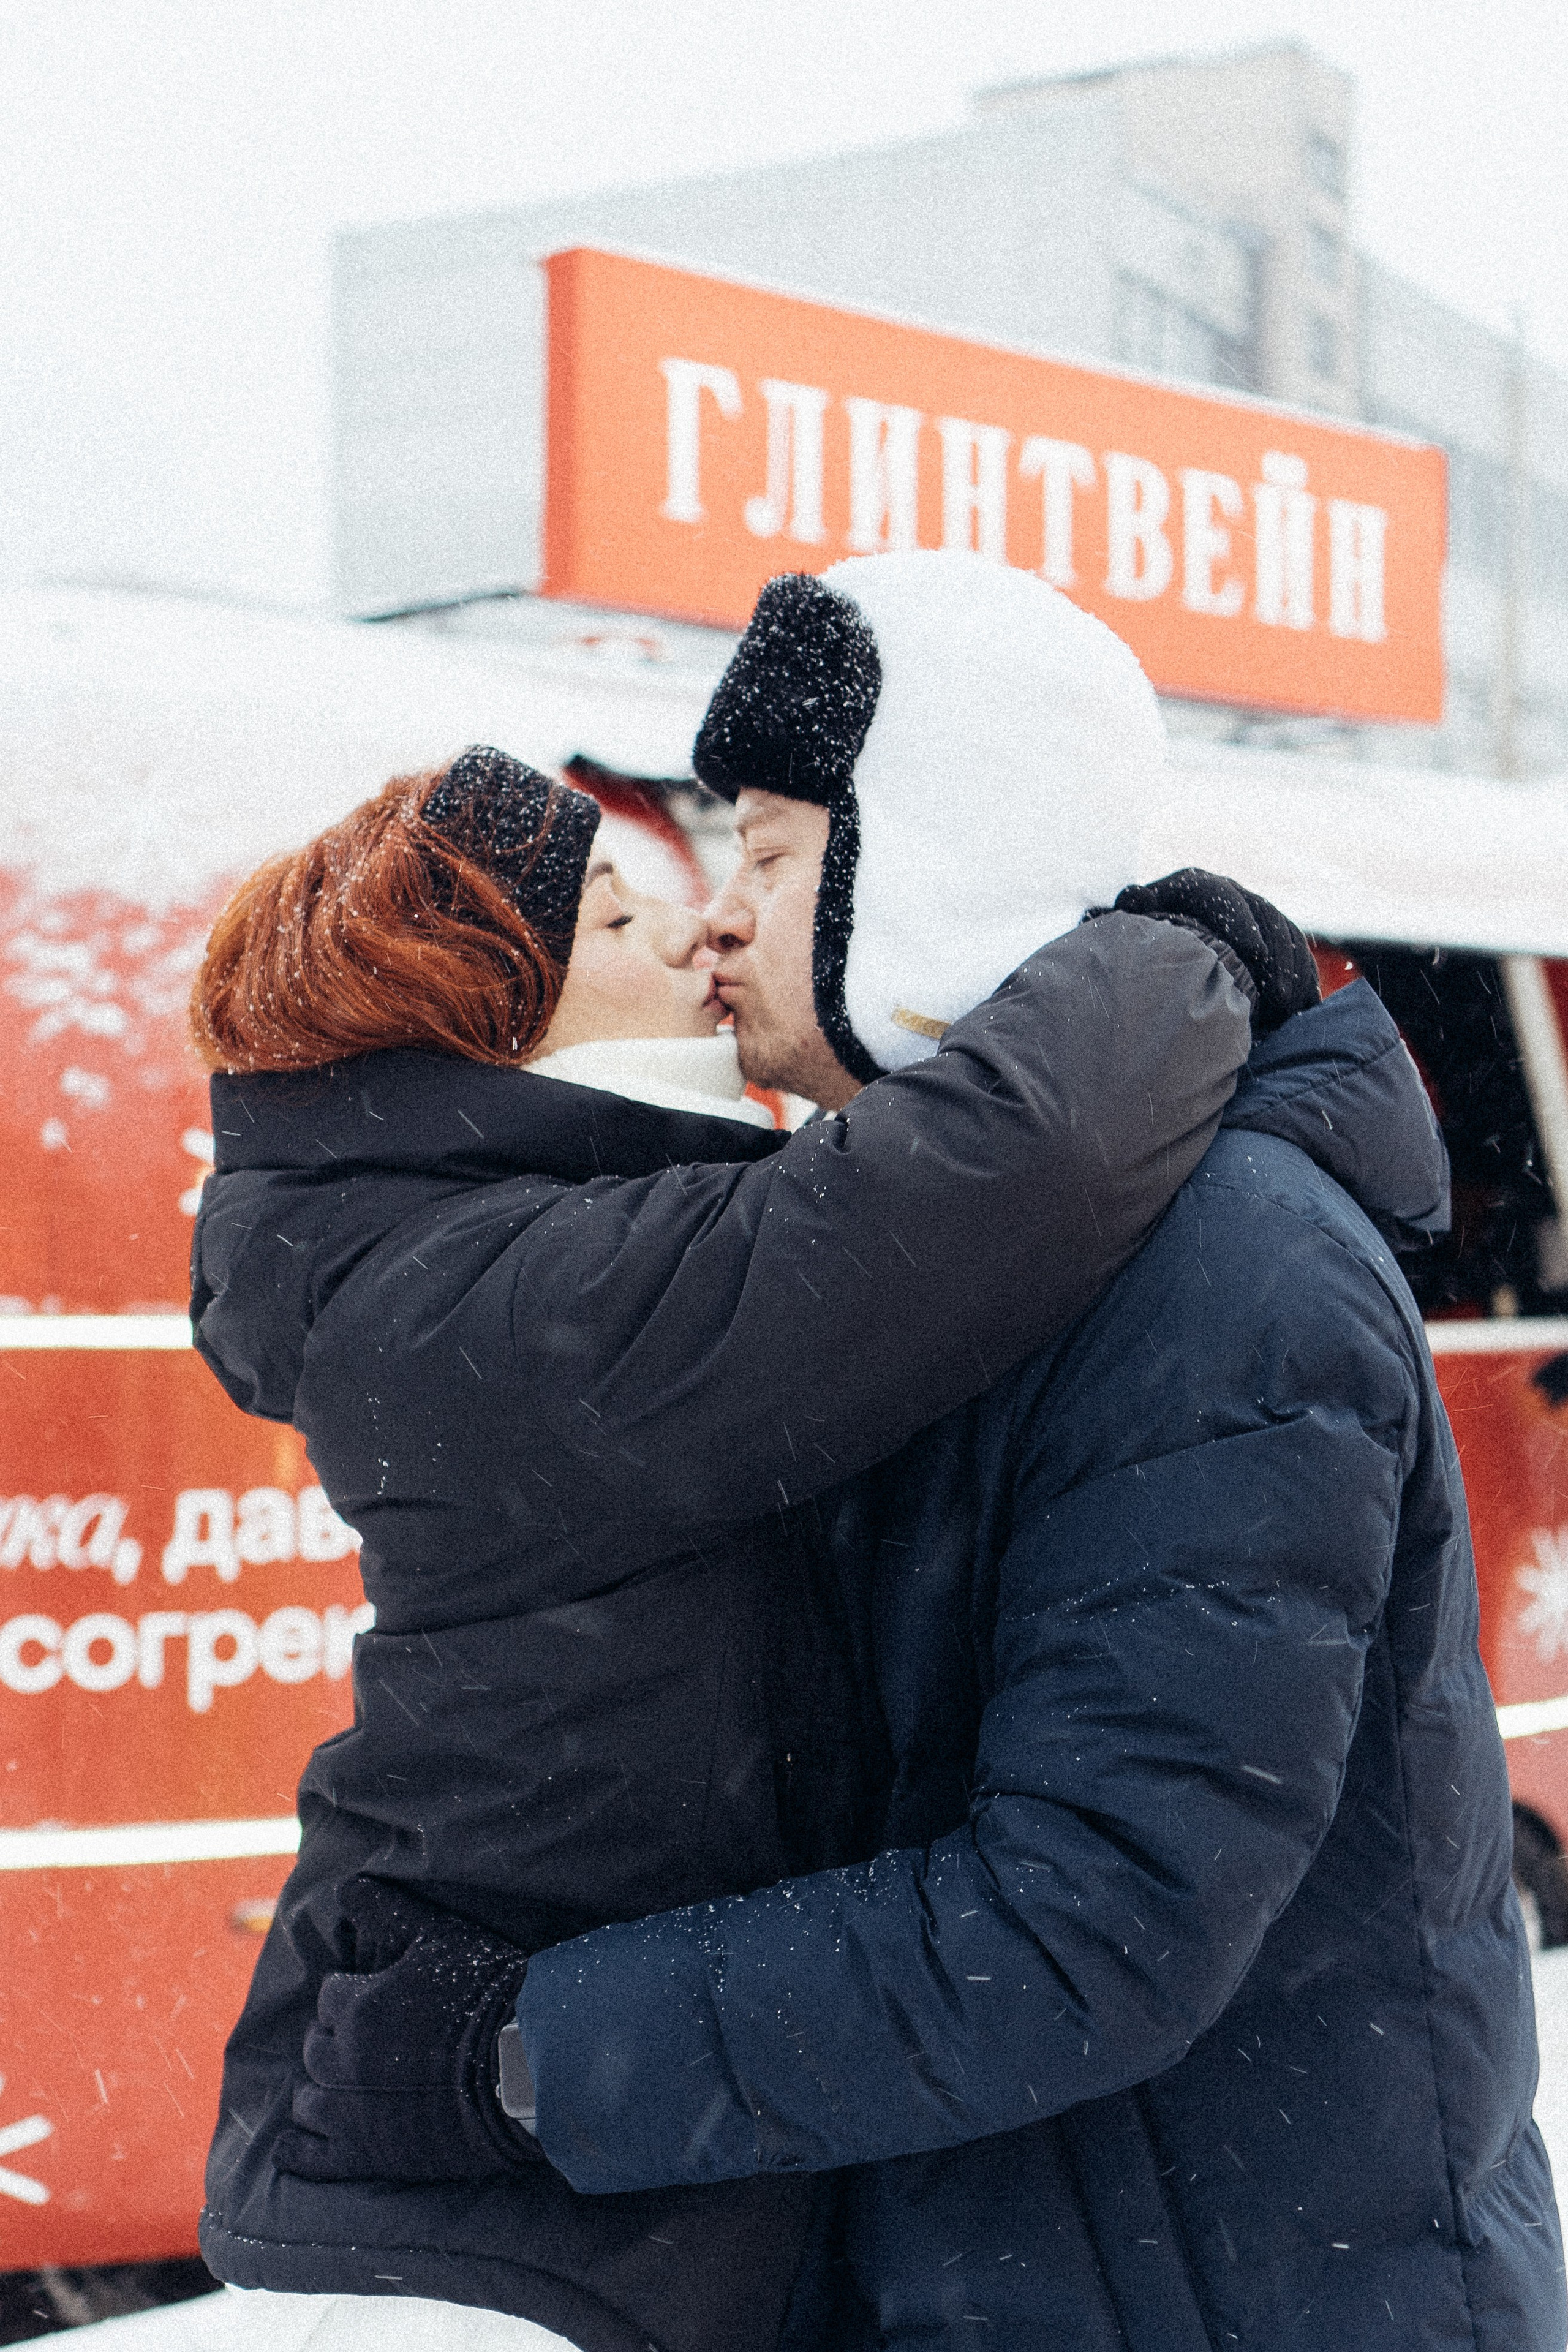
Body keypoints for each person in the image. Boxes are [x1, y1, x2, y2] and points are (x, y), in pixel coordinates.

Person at [290, 552, 1564, 2352]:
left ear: (930, 871)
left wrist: (524, 2057)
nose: (719, 923)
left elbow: (1090, 1920)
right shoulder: (938, 1267)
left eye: (768, 856)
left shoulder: (1226, 1272)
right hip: (1044, 2267)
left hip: (1234, 2298)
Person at [184, 603, 1278, 2352]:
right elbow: (1000, 1175)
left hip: (555, 2149)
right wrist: (1172, 948)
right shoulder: (494, 1300)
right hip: (474, 2215)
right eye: (620, 919)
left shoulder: (456, 1257)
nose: (700, 924)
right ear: (497, 1034)